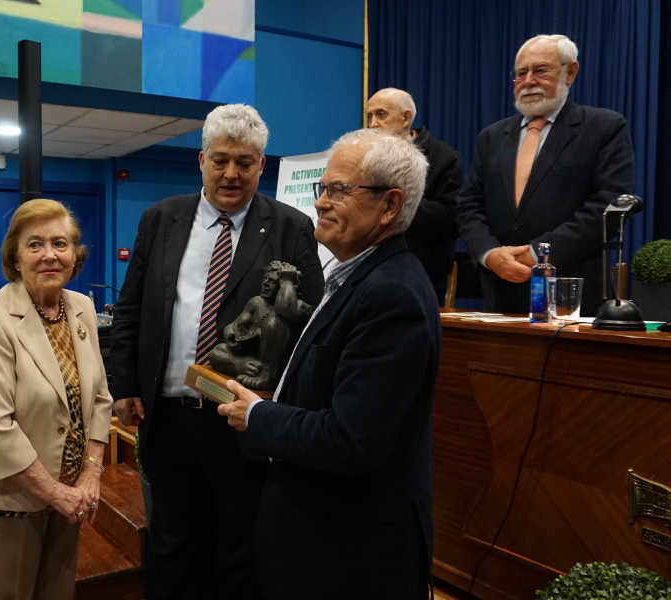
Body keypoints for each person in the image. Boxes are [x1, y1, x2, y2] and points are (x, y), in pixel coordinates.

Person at [111, 103, 324, 599]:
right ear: (201, 160)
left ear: (261, 166)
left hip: (242, 418)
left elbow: (309, 324)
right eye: (221, 160)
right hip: (167, 415)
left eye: (245, 162)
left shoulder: (292, 227)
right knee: (171, 546)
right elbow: (131, 308)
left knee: (238, 549)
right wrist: (123, 384)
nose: (231, 173)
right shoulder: (160, 219)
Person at [218, 128, 441, 600]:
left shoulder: (390, 294)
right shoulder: (355, 274)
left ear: (389, 205)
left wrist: (257, 415)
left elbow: (351, 441)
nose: (320, 202)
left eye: (340, 190)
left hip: (350, 553)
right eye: (323, 188)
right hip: (321, 537)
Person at [0, 199, 113, 599]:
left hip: (72, 492)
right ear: (15, 256)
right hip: (12, 495)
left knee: (57, 592)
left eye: (60, 244)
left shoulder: (83, 308)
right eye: (35, 244)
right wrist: (55, 492)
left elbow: (100, 398)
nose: (49, 256)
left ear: (75, 255)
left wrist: (90, 474)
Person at [458, 34, 635, 316]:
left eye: (540, 70)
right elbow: (469, 205)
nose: (528, 81)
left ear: (570, 72)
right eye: (521, 73)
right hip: (501, 294)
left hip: (570, 296)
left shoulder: (604, 127)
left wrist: (537, 253)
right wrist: (490, 255)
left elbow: (607, 207)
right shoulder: (491, 136)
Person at [366, 87, 463, 306]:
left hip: (421, 275)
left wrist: (396, 202)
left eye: (381, 115)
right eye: (369, 116)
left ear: (405, 118)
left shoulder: (444, 157)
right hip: (370, 271)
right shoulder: (365, 158)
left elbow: (451, 220)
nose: (373, 124)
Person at [209, 261, 313, 390]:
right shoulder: (257, 303)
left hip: (277, 366)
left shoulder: (299, 307)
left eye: (273, 282)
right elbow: (235, 325)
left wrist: (287, 281)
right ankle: (244, 366)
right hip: (253, 357)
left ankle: (267, 376)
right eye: (265, 279)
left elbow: (285, 310)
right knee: (217, 352)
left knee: (274, 322)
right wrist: (230, 334)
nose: (265, 284)